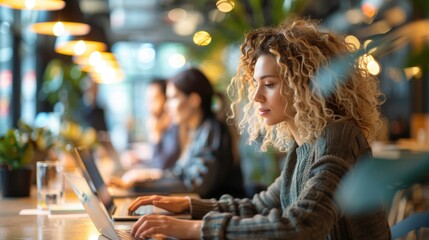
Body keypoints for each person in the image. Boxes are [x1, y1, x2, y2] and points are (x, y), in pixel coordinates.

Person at [127, 18, 391, 239]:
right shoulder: (303, 146)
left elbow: (304, 225)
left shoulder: (339, 138)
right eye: (256, 84)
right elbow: (260, 205)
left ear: (304, 85)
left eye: (270, 84)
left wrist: (195, 228)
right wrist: (188, 205)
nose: (256, 97)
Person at [111, 68, 245, 199]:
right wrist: (146, 176)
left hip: (218, 214)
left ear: (194, 100)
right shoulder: (198, 131)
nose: (166, 106)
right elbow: (181, 173)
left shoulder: (213, 130)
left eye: (173, 98)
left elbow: (196, 184)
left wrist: (142, 186)